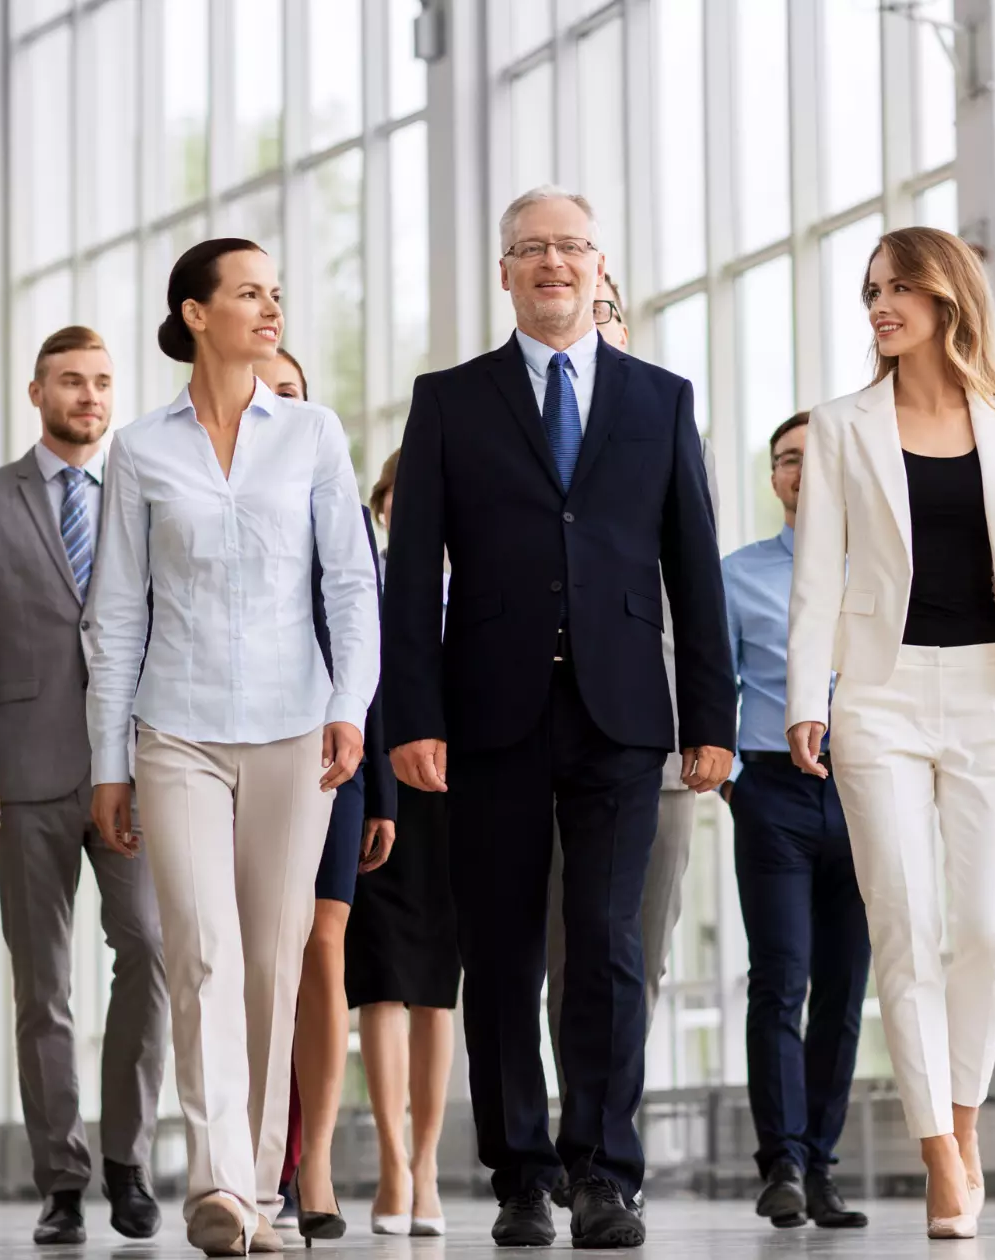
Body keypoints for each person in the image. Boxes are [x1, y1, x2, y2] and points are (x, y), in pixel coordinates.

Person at [381, 186, 735, 1251]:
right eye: (530, 250)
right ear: (504, 273)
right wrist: (413, 712)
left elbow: (693, 569)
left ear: (597, 266)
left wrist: (709, 713)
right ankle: (520, 1174)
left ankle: (603, 1172)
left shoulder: (659, 399)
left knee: (608, 945)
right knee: (498, 951)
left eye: (569, 248)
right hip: (487, 712)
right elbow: (410, 577)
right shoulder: (448, 400)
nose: (551, 265)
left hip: (623, 714)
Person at [85, 239, 379, 1257]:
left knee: (269, 960)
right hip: (174, 736)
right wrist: (107, 763)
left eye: (276, 293)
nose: (271, 308)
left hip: (298, 732)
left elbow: (350, 584)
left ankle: (259, 1182)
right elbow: (115, 615)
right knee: (200, 951)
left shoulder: (312, 433)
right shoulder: (140, 450)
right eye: (249, 293)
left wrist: (350, 705)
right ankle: (215, 1183)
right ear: (194, 313)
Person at [784, 227, 995, 1240]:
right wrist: (803, 699)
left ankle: (961, 1112)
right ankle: (939, 1154)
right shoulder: (840, 426)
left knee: (989, 927)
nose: (877, 306)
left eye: (896, 286)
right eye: (869, 291)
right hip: (879, 695)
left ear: (946, 295)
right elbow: (817, 575)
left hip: (993, 692)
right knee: (902, 924)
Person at [0, 326, 168, 1247]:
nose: (91, 397)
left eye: (104, 383)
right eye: (73, 382)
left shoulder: (142, 496)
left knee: (147, 950)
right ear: (37, 393)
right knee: (43, 985)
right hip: (19, 769)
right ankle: (62, 1178)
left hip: (131, 767)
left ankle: (130, 1161)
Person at [541, 273, 707, 1179]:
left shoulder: (666, 420)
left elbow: (696, 584)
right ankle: (577, 1139)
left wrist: (702, 725)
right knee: (565, 950)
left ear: (624, 329)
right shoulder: (523, 424)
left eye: (606, 311)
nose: (589, 324)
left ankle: (604, 1130)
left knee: (634, 948)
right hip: (540, 727)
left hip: (657, 738)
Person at [254, 348, 398, 1242]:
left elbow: (365, 642)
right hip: (225, 739)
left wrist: (380, 784)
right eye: (268, 391)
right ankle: (251, 1149)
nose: (281, 404)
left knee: (322, 946)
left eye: (295, 392)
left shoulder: (337, 498)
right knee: (245, 954)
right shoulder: (192, 481)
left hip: (328, 749)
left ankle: (315, 1167)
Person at [722, 411, 872, 1231]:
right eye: (786, 460)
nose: (801, 472)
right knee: (781, 978)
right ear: (775, 478)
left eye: (817, 460)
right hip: (773, 791)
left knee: (845, 989)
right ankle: (779, 1161)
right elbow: (715, 685)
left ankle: (820, 1164)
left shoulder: (881, 573)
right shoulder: (737, 574)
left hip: (864, 792)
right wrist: (740, 781)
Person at [345, 449, 461, 1238]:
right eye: (400, 496)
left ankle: (427, 1163)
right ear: (382, 507)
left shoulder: (478, 589)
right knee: (380, 979)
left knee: (437, 987)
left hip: (458, 801)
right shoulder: (365, 582)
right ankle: (390, 1160)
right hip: (380, 794)